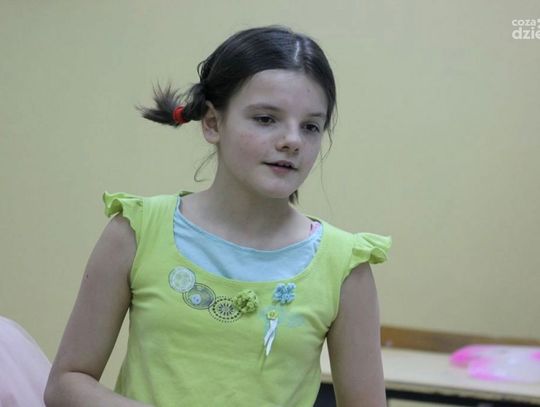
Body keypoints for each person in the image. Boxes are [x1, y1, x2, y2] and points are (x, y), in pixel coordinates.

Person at [44, 25, 391, 407]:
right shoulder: (136, 231)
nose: (292, 140)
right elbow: (65, 384)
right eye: (266, 118)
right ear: (212, 123)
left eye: (310, 126)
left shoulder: (345, 267)